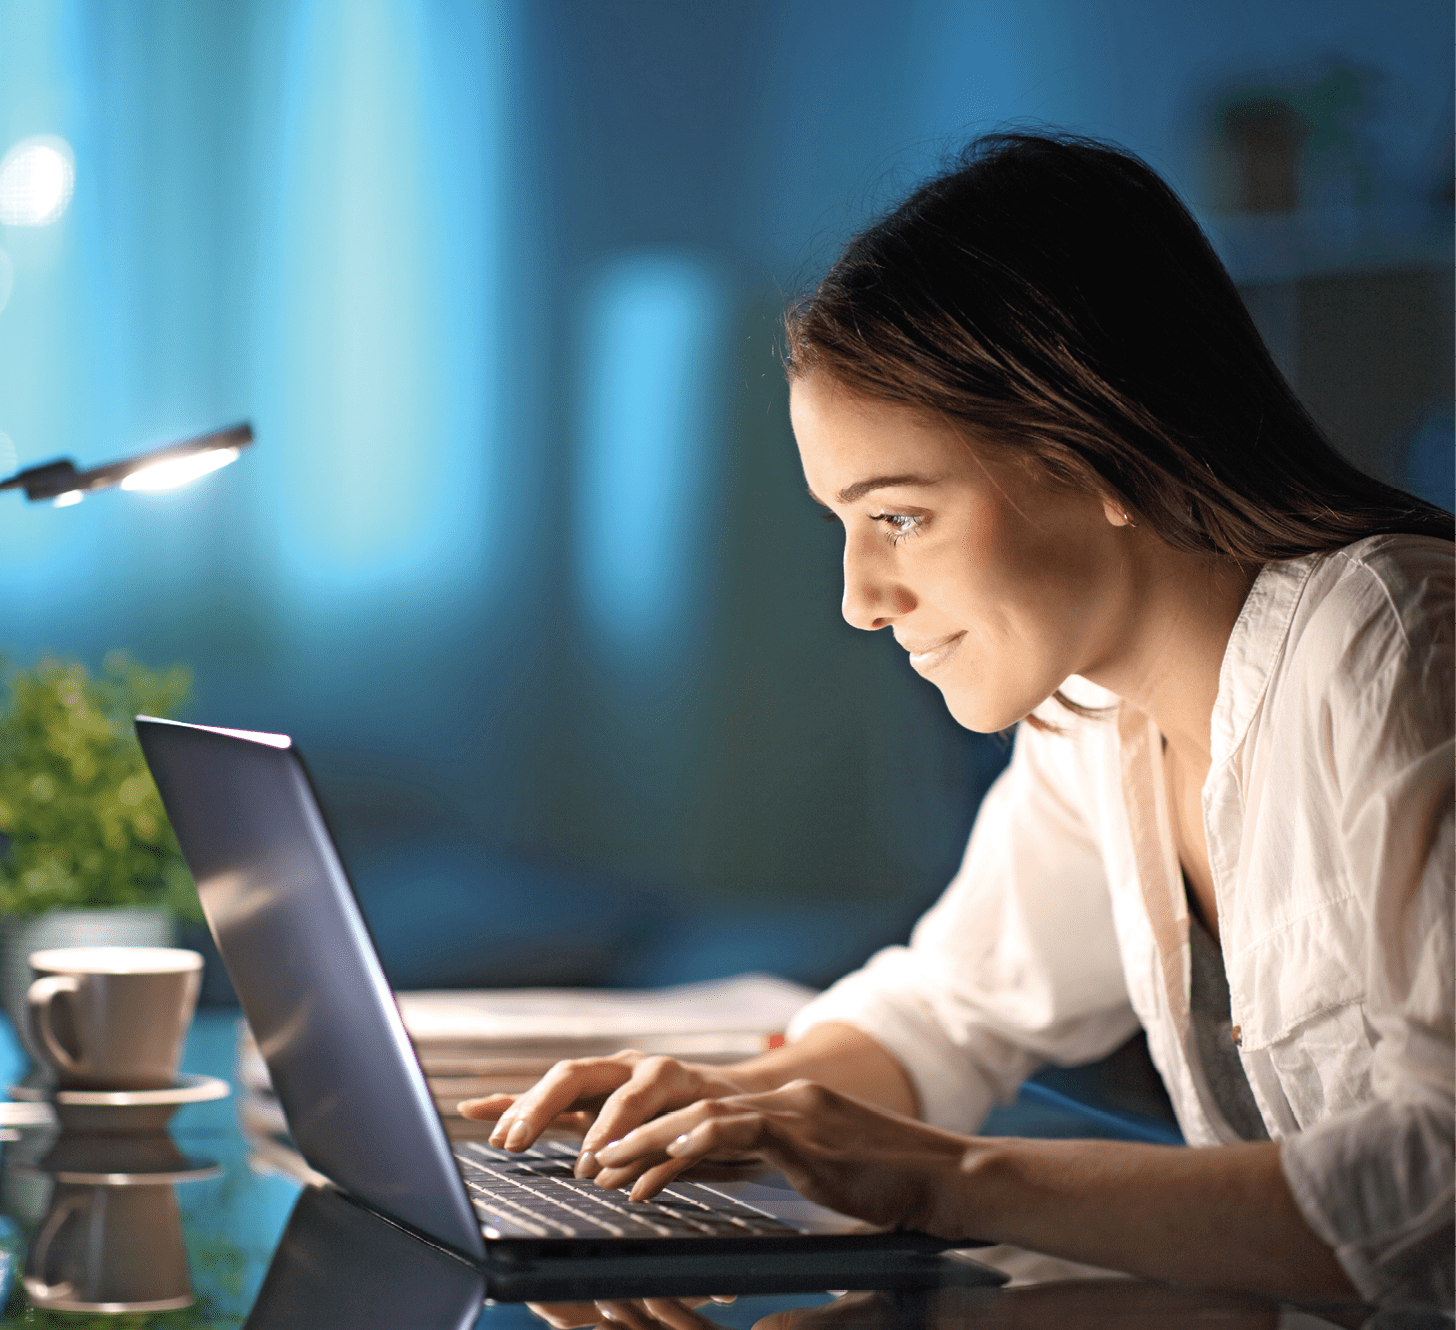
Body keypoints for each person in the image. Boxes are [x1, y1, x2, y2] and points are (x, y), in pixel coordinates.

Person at [461, 133, 1455, 1308]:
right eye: (844, 522)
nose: (859, 602)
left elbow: (1432, 1181)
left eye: (899, 518)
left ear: (1099, 450)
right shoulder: (1096, 717)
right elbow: (953, 1007)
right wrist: (746, 1106)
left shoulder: (1389, 646)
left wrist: (951, 1177)